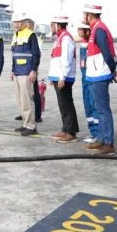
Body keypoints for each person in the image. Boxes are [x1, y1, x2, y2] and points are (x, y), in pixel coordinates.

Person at [81, 4, 117, 155]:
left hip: (100, 75)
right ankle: (101, 139)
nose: (83, 17)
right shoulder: (96, 28)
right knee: (100, 109)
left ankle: (108, 143)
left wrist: (112, 70)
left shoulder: (99, 29)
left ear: (90, 15)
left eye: (84, 15)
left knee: (103, 110)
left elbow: (107, 53)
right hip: (96, 75)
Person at [47, 14, 79, 143]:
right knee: (62, 104)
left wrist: (62, 77)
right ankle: (65, 129)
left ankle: (71, 132)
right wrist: (52, 76)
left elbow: (67, 59)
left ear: (58, 25)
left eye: (52, 25)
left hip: (64, 77)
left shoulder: (66, 38)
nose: (51, 27)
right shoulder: (59, 38)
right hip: (58, 76)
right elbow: (55, 59)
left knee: (66, 103)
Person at [10, 11, 41, 136]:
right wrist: (12, 69)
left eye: (19, 22)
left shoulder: (30, 35)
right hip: (17, 72)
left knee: (27, 100)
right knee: (20, 100)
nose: (16, 24)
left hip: (26, 72)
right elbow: (14, 54)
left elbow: (36, 54)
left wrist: (34, 70)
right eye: (15, 22)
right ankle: (25, 123)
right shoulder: (15, 35)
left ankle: (31, 126)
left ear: (23, 22)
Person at [75, 22, 100, 143]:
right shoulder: (83, 44)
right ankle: (93, 132)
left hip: (92, 79)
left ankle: (98, 134)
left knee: (94, 105)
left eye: (81, 29)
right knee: (88, 106)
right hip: (85, 79)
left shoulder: (92, 44)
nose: (79, 32)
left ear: (88, 31)